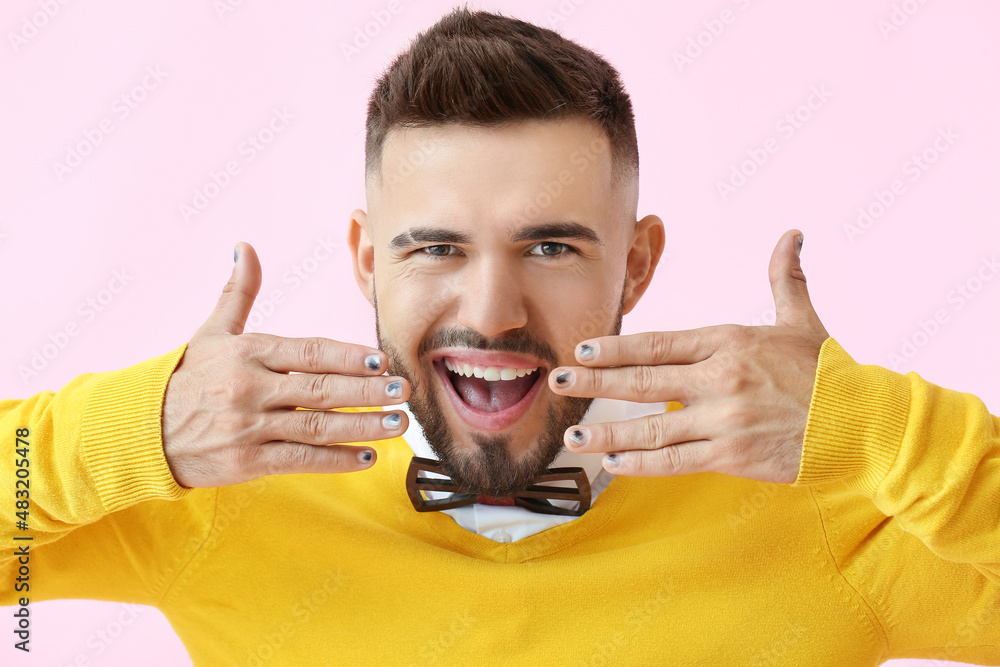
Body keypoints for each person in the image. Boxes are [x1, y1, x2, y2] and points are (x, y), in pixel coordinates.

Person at [2, 7, 998, 665]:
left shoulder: (830, 511)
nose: (492, 311)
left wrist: (875, 432)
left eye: (552, 246)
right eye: (434, 245)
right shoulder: (225, 501)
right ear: (365, 260)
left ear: (637, 265)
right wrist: (132, 432)